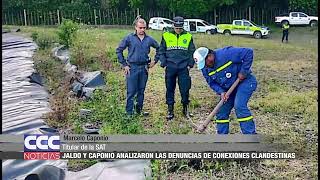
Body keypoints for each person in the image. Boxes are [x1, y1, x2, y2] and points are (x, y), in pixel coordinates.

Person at [193, 46, 258, 134]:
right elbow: (211, 83)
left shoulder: (226, 53)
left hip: (244, 82)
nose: (204, 66)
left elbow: (248, 52)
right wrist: (221, 92)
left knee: (239, 105)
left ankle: (250, 136)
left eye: (205, 63)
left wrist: (243, 72)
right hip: (228, 90)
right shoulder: (205, 68)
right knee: (221, 111)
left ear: (209, 56)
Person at [116, 17, 160, 116]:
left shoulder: (149, 39)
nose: (142, 30)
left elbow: (159, 48)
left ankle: (138, 111)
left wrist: (155, 61)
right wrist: (124, 64)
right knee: (131, 92)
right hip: (132, 68)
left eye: (144, 28)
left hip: (144, 68)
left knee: (141, 91)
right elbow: (119, 50)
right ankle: (129, 113)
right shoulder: (129, 38)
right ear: (135, 27)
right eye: (140, 28)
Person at [159, 16, 196, 120]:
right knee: (170, 88)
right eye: (176, 27)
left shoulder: (188, 36)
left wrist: (190, 64)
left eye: (180, 28)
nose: (178, 30)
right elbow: (161, 50)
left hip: (183, 67)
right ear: (173, 25)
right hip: (170, 67)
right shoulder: (166, 35)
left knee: (185, 89)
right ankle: (170, 110)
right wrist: (164, 62)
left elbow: (192, 51)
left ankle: (185, 109)